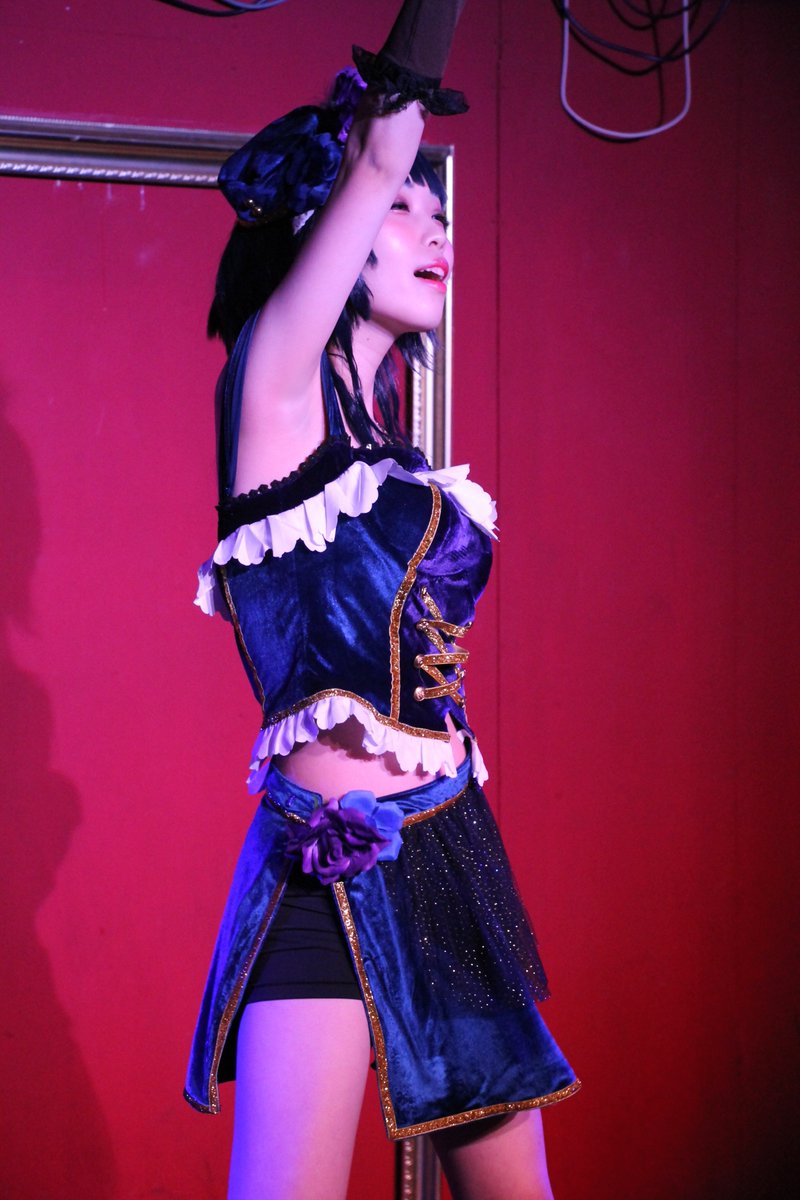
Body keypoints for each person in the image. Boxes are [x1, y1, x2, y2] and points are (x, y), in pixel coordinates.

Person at [185, 3, 579, 1197]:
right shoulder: (272, 393)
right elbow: (376, 147)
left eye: (438, 213)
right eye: (406, 209)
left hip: (450, 855)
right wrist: (386, 138)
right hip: (325, 863)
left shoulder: (389, 449)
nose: (434, 227)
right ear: (330, 231)